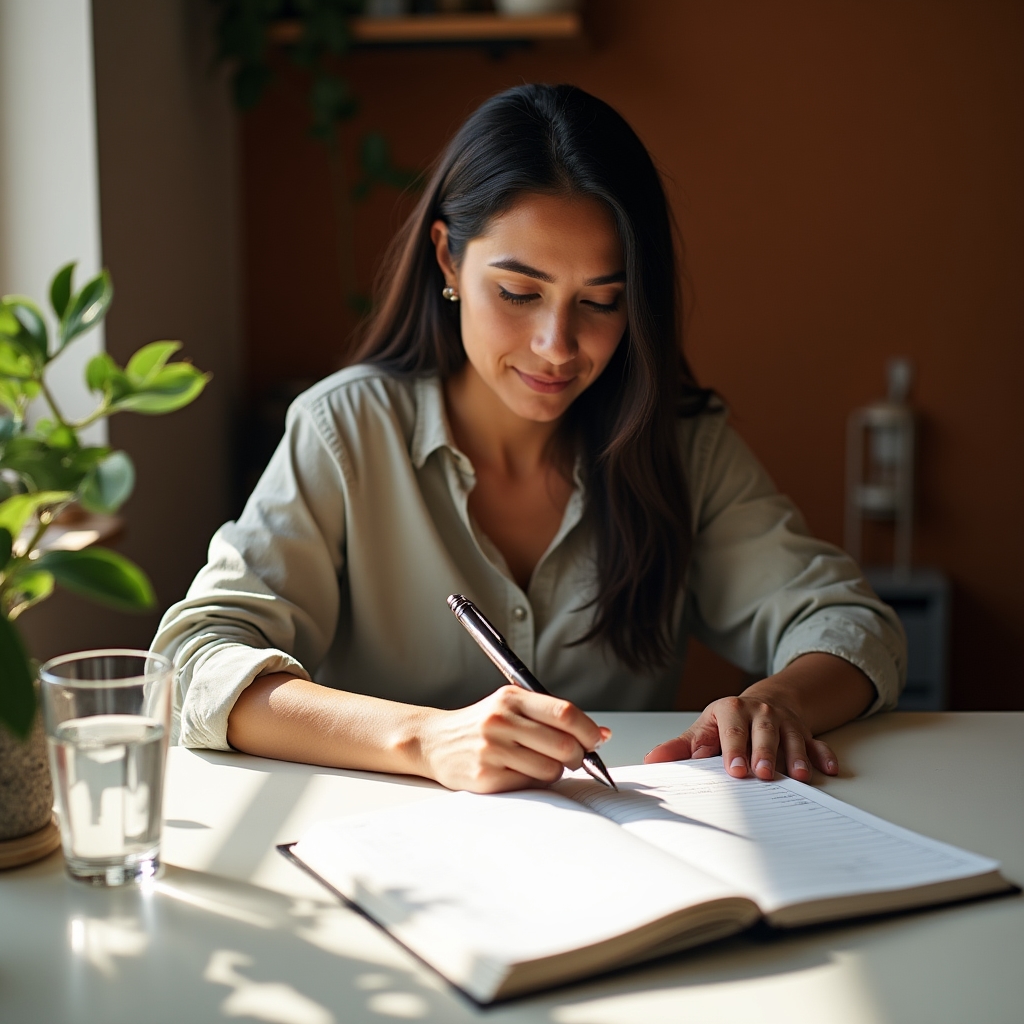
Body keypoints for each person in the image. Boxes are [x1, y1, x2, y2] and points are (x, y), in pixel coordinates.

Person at [154, 84, 904, 794]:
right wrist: (424, 740)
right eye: (519, 294)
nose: (557, 345)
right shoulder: (347, 430)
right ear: (448, 259)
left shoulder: (679, 443)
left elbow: (851, 624)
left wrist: (780, 702)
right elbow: (195, 663)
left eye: (601, 303)